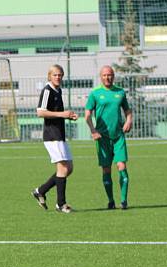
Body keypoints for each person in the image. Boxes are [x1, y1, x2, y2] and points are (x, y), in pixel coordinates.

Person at [84, 66, 133, 210]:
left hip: (118, 136)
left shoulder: (120, 92)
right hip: (102, 138)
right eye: (105, 75)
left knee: (122, 166)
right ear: (101, 77)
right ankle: (111, 200)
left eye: (110, 75)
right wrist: (93, 130)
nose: (107, 77)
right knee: (106, 170)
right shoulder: (95, 94)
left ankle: (123, 201)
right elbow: (87, 115)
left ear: (113, 76)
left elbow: (127, 110)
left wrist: (129, 120)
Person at [31, 64, 78, 213]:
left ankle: (41, 191)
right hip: (52, 135)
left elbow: (56, 112)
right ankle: (61, 204)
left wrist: (68, 116)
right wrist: (62, 114)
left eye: (60, 75)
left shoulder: (58, 90)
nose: (58, 77)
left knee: (68, 168)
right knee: (63, 168)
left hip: (59, 134)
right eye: (55, 75)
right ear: (49, 76)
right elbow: (40, 112)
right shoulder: (47, 90)